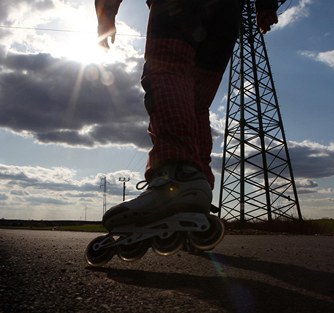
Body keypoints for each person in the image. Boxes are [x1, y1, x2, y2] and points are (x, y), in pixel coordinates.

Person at [95, 0, 280, 231]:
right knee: (196, 102)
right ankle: (196, 189)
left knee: (166, 68)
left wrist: (105, 14)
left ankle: (177, 175)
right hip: (226, 14)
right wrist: (266, 6)